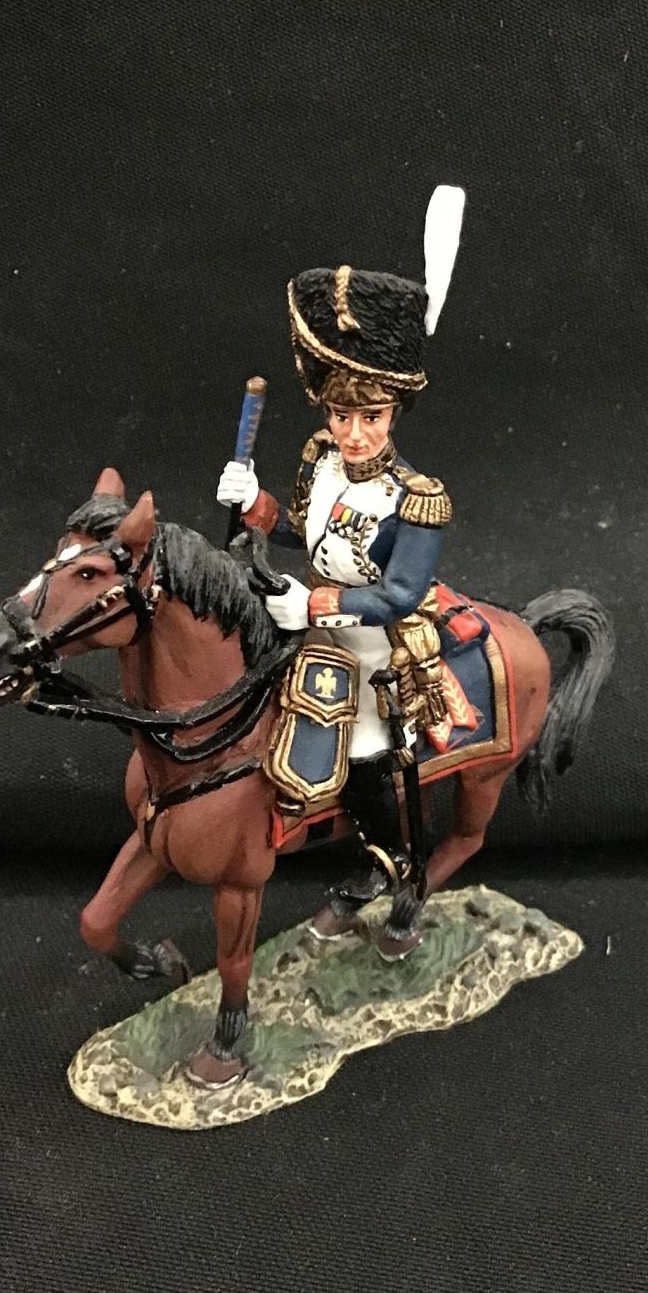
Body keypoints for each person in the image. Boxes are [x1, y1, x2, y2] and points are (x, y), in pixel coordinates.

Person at [216, 188, 465, 946]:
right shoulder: (320, 461)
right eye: (341, 415)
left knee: (358, 746)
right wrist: (255, 504)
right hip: (307, 608)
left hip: (373, 640)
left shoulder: (417, 498)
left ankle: (387, 862)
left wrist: (316, 607)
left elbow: (398, 594)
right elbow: (306, 534)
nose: (353, 433)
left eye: (371, 417)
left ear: (394, 415)